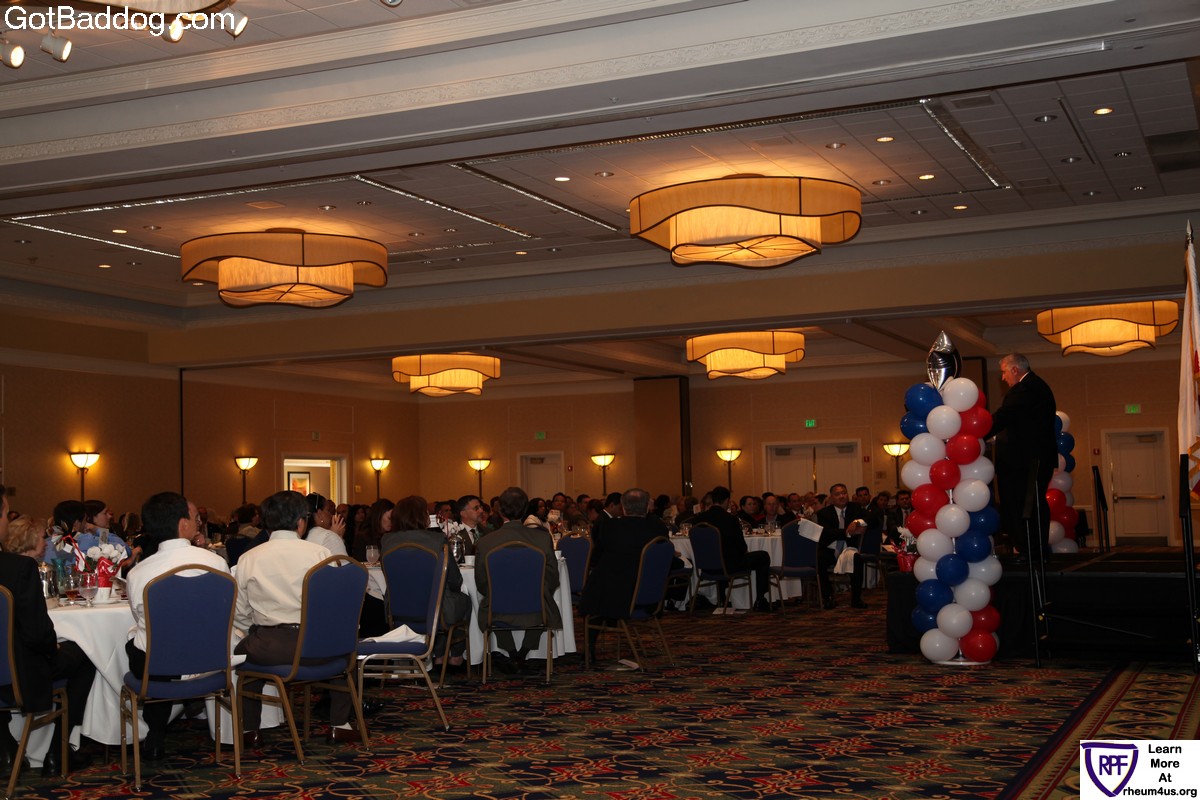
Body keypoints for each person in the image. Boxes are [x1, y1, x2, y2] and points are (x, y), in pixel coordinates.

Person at [233, 491, 352, 747]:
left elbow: (240, 613)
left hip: (271, 647)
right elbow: (334, 607)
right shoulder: (321, 553)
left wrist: (256, 630)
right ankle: (340, 725)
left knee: (244, 655)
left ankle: (250, 730)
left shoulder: (248, 558)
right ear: (301, 522)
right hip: (319, 646)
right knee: (342, 653)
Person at [124, 491, 231, 761]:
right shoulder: (216, 563)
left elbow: (141, 619)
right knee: (166, 644)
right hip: (210, 661)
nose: (198, 523)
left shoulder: (138, 573)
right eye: (195, 518)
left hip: (159, 665)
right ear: (183, 524)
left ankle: (154, 732)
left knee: (144, 645)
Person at [0, 495, 97, 776]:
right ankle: (58, 750)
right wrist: (52, 647)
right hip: (20, 674)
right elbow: (37, 634)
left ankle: (5, 746)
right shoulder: (19, 568)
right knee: (86, 656)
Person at [474, 486, 560, 674]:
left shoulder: (486, 542)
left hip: (497, 609)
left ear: (499, 510)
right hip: (536, 608)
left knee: (490, 598)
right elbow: (553, 577)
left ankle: (513, 654)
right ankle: (522, 653)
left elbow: (481, 582)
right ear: (525, 510)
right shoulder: (542, 539)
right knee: (544, 598)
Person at [381, 496, 472, 671]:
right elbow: (455, 579)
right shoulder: (436, 540)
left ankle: (438, 654)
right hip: (435, 613)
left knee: (441, 598)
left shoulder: (386, 541)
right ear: (422, 516)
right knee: (463, 599)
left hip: (397, 610)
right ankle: (454, 655)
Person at [580, 488, 669, 654]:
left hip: (619, 597)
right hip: (649, 594)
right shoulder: (659, 528)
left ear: (623, 507)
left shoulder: (611, 526)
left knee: (595, 589)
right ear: (646, 507)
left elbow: (596, 557)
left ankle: (589, 647)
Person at [990, 352, 1058, 551]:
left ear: (1015, 369)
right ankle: (1033, 550)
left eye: (1004, 372)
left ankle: (1029, 550)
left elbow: (1004, 416)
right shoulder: (1036, 386)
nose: (1003, 378)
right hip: (1031, 459)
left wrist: (977, 430)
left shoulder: (1025, 388)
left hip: (1024, 462)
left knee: (1023, 505)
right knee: (1030, 504)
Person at [690, 486, 773, 612]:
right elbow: (741, 547)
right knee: (763, 556)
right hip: (728, 566)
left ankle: (722, 598)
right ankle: (760, 600)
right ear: (726, 501)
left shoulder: (698, 519)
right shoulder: (730, 519)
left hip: (705, 566)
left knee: (723, 555)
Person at [815, 483, 869, 609]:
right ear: (831, 497)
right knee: (818, 558)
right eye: (837, 494)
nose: (842, 496)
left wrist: (858, 521)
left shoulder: (855, 508)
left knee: (857, 559)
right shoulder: (823, 513)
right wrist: (847, 532)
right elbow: (827, 533)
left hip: (849, 549)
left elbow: (873, 518)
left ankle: (856, 598)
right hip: (830, 549)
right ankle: (828, 597)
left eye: (844, 493)